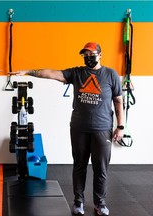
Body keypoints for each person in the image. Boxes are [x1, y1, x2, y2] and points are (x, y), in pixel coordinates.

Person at [9, 42, 124, 216]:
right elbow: (51, 73)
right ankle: (78, 202)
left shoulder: (110, 74)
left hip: (102, 128)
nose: (88, 58)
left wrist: (120, 126)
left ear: (100, 55)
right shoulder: (77, 73)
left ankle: (100, 203)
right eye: (85, 55)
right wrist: (28, 72)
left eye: (91, 54)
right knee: (79, 166)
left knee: (101, 169)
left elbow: (118, 101)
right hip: (79, 128)